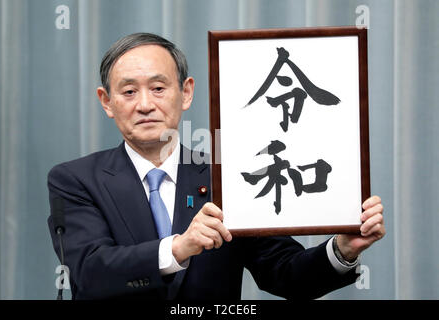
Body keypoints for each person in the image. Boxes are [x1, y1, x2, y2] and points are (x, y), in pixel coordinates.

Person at [47, 33, 385, 300]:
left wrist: (342, 248)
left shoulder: (229, 175)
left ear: (187, 92)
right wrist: (180, 247)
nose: (145, 104)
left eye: (159, 88)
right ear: (107, 102)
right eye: (129, 91)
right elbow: (89, 272)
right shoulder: (75, 180)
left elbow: (286, 274)